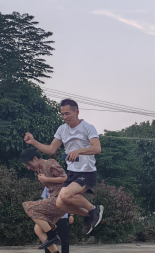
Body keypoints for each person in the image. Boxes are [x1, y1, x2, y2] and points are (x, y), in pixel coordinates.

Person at [24, 98, 104, 235]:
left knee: (66, 195)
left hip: (87, 172)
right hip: (72, 172)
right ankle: (88, 215)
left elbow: (97, 148)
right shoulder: (62, 129)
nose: (64, 117)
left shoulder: (88, 127)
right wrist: (34, 142)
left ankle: (94, 209)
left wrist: (79, 151)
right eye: (62, 114)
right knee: (60, 203)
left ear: (76, 112)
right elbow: (51, 149)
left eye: (67, 113)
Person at [20, 147, 68, 253]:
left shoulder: (50, 163)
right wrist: (44, 180)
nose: (28, 168)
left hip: (60, 199)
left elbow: (65, 178)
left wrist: (46, 179)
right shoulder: (40, 170)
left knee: (27, 206)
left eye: (28, 165)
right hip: (53, 200)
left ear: (35, 158)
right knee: (38, 229)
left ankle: (52, 235)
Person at [41, 186, 71, 253]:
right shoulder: (48, 186)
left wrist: (71, 215)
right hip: (50, 217)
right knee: (49, 238)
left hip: (63, 216)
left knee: (64, 238)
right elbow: (44, 201)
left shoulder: (66, 186)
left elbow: (70, 202)